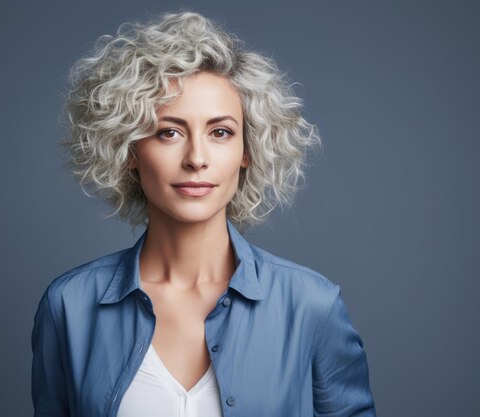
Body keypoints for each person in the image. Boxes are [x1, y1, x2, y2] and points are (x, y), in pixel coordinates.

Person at [31, 11, 377, 417]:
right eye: (169, 132)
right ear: (129, 151)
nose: (197, 158)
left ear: (247, 151)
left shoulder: (311, 305)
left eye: (220, 132)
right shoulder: (70, 305)